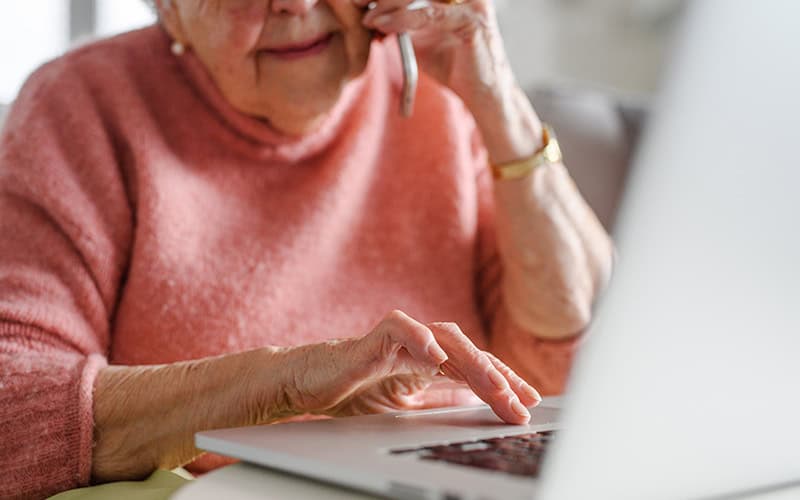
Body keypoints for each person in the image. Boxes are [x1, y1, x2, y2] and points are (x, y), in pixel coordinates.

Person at [0, 0, 613, 497]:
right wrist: (283, 385)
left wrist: (499, 105)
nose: (295, 4)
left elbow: (563, 372)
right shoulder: (81, 106)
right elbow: (17, 410)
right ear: (168, 9)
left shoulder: (436, 90)